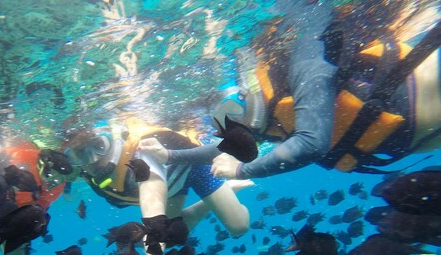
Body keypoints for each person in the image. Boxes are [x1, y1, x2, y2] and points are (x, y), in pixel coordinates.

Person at [138, 3, 441, 180]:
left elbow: (311, 144)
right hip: (421, 127)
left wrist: (243, 170)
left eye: (241, 94)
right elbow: (230, 148)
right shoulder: (277, 99)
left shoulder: (307, 50)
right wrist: (168, 155)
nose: (242, 98)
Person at [56, 117, 252, 255]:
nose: (93, 160)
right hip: (173, 188)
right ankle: (210, 202)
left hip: (194, 169)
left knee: (238, 226)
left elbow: (153, 196)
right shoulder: (86, 175)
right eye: (80, 155)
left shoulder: (140, 150)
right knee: (174, 233)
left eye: (99, 147)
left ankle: (228, 188)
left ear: (112, 139)